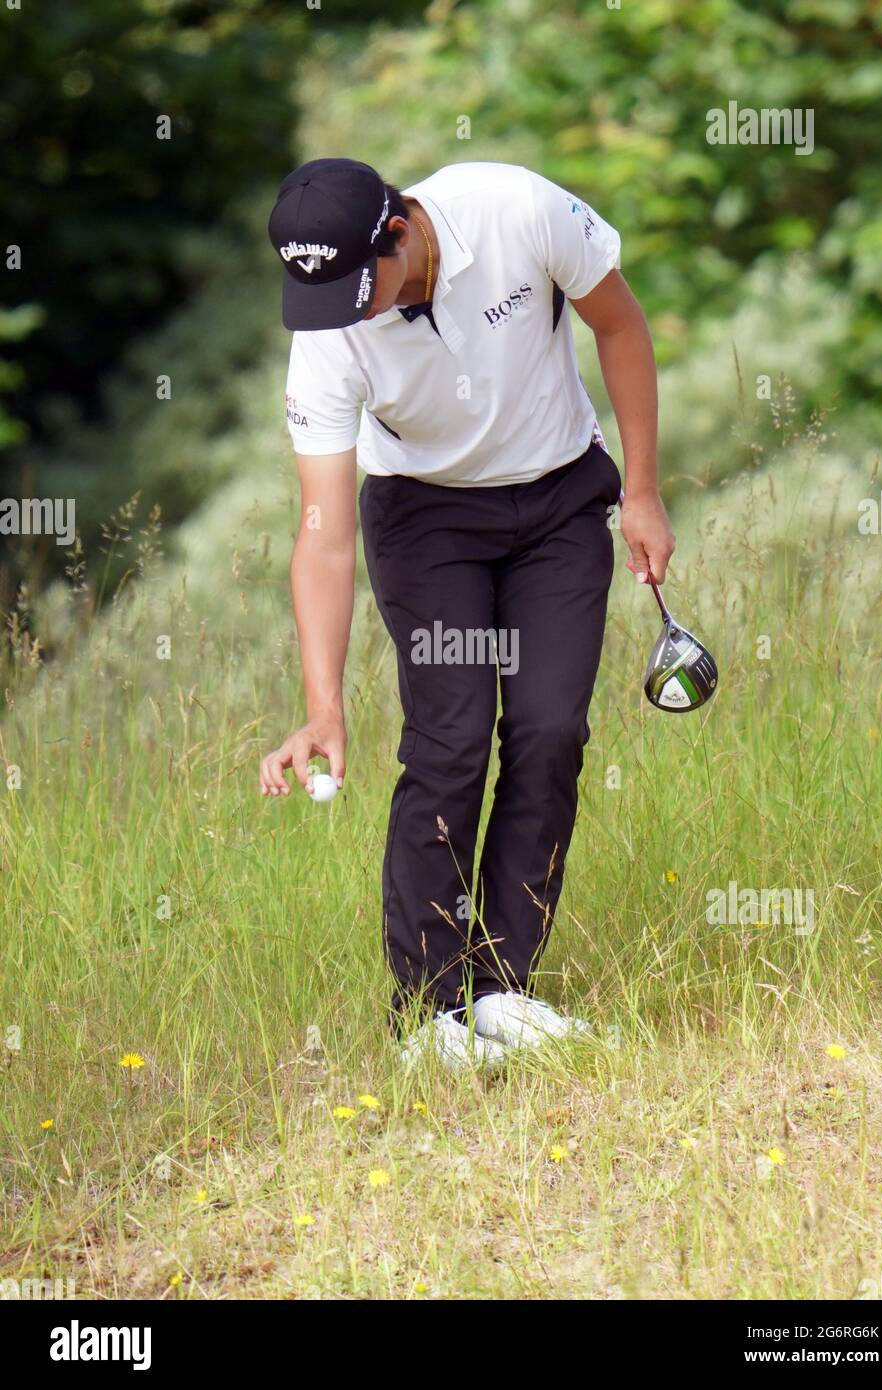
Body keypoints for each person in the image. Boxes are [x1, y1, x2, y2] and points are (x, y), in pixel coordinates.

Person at [260, 158, 674, 1068]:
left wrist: (640, 492)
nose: (342, 316)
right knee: (448, 742)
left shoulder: (515, 210)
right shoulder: (329, 331)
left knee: (550, 731)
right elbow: (323, 536)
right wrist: (322, 706)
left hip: (560, 503)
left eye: (354, 290)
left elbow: (621, 326)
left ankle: (501, 990)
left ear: (399, 236)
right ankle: (427, 1016)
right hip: (425, 519)